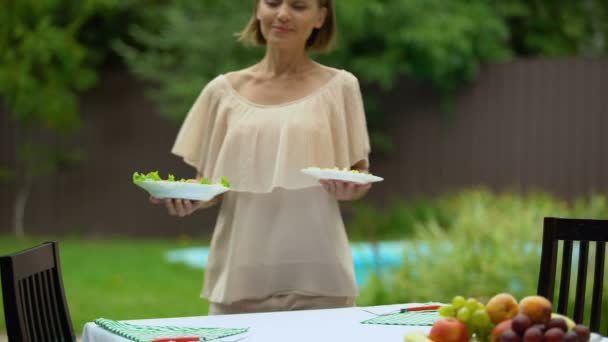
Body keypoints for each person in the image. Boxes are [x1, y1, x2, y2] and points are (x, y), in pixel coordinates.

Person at [150, 0, 373, 315]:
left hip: (320, 279)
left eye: (298, 5)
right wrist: (188, 197)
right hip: (240, 279)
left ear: (320, 17)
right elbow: (212, 186)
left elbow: (359, 175)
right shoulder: (221, 91)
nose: (282, 13)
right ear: (257, 9)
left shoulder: (342, 88)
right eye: (272, 2)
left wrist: (350, 189)